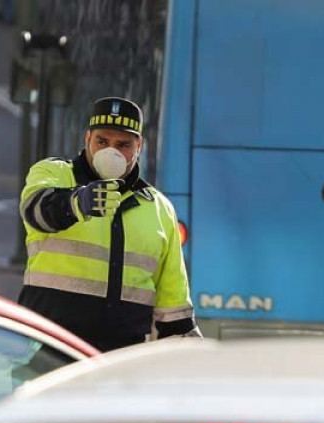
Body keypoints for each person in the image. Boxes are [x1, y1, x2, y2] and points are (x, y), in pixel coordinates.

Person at [17, 96, 201, 351]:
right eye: (102, 141)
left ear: (139, 146)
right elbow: (36, 211)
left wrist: (189, 361)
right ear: (87, 138)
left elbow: (173, 306)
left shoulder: (159, 208)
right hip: (48, 352)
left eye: (123, 144)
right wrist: (77, 202)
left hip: (119, 362)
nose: (111, 152)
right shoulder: (53, 173)